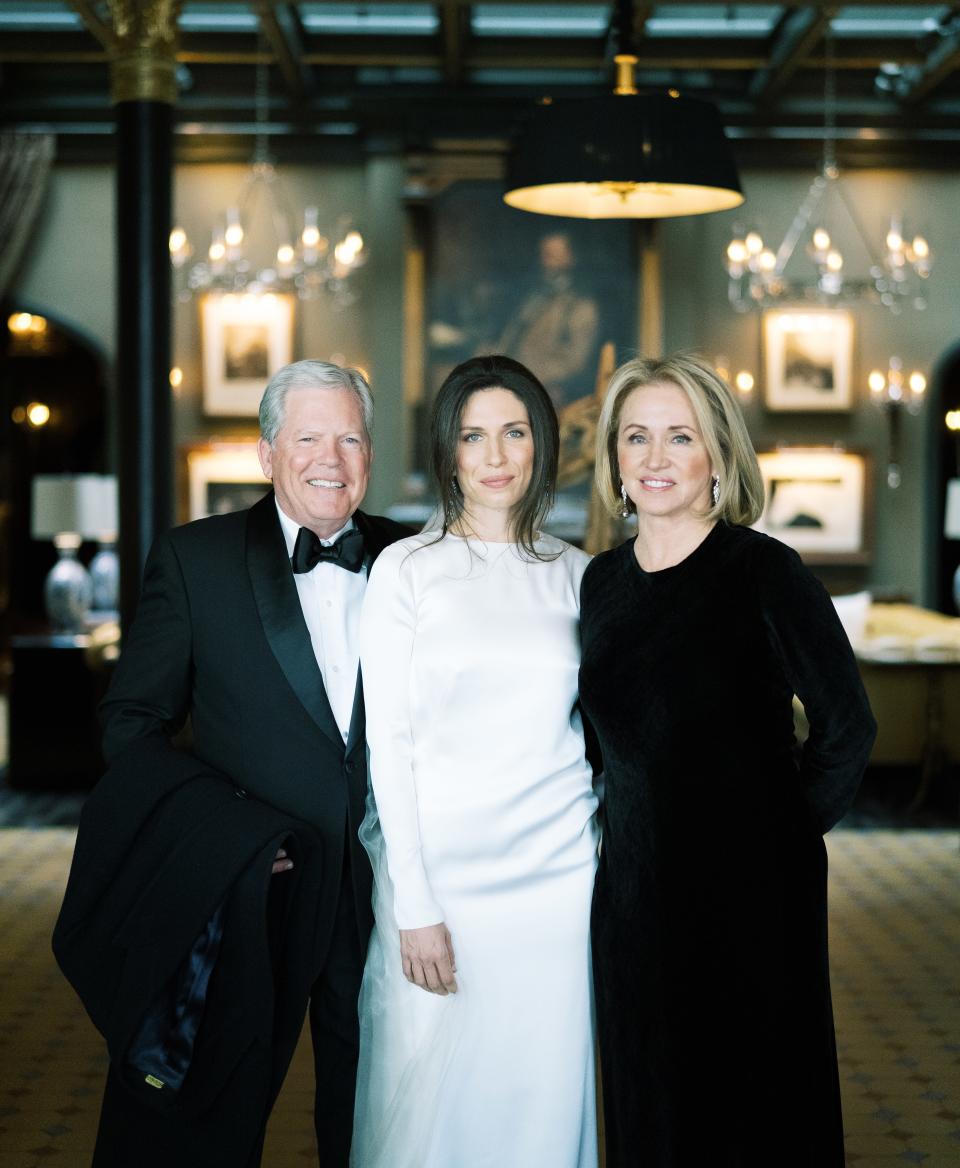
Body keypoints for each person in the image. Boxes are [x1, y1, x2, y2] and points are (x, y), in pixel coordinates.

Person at [90, 360, 410, 1167]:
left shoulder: (417, 559)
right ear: (268, 453)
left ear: (370, 453)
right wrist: (225, 836)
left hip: (390, 888)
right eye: (307, 437)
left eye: (349, 437)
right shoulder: (194, 561)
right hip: (252, 889)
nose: (329, 458)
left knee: (377, 1110)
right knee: (217, 1114)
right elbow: (132, 727)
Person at [578, 354, 877, 1168]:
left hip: (753, 904)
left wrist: (774, 838)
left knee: (754, 1114)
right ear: (613, 459)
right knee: (649, 1108)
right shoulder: (599, 585)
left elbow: (848, 729)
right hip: (634, 903)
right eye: (636, 437)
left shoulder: (764, 571)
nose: (655, 457)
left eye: (681, 437)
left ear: (718, 456)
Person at [352, 355, 600, 1168]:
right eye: (473, 436)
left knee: (546, 1083)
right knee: (432, 1099)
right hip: (444, 881)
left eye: (515, 432)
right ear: (447, 451)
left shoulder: (580, 578)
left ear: (542, 444)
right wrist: (413, 900)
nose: (495, 456)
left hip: (560, 879)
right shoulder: (405, 572)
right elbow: (389, 746)